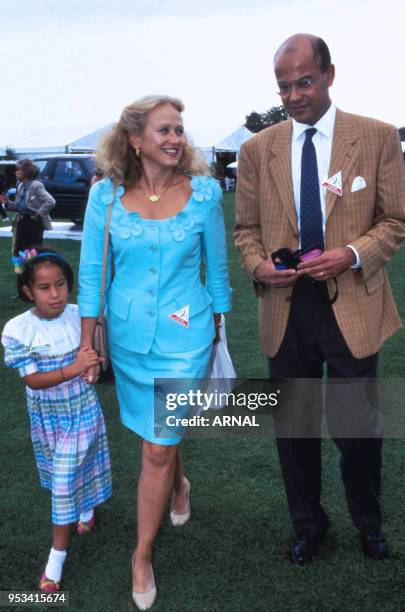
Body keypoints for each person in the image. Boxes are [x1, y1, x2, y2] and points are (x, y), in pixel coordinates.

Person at [234, 34, 405, 564]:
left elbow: (396, 220)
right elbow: (245, 230)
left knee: (357, 427)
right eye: (284, 86)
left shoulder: (376, 138)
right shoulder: (256, 149)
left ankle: (368, 522)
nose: (293, 95)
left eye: (304, 81)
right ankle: (308, 524)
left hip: (353, 301)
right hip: (284, 309)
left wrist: (351, 253)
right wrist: (258, 263)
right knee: (294, 427)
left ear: (330, 74)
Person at [78, 95, 232, 609]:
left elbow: (219, 266)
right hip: (126, 340)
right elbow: (93, 275)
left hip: (186, 335)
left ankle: (140, 555)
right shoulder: (103, 197)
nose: (174, 139)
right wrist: (86, 340)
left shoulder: (206, 193)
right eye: (164, 130)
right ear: (136, 139)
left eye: (180, 130)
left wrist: (220, 327)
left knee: (157, 444)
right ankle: (178, 484)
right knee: (157, 436)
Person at [1, 248, 112, 592]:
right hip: (47, 418)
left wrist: (95, 366)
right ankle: (87, 507)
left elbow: (99, 353)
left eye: (61, 285)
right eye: (45, 288)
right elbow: (32, 380)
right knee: (67, 471)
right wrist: (72, 369)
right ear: (28, 292)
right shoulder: (18, 330)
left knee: (63, 483)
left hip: (81, 411)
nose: (55, 294)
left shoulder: (81, 316)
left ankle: (56, 559)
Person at [0, 159, 55, 256]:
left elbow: (50, 201)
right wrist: (7, 201)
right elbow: (18, 207)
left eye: (18, 170)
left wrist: (38, 214)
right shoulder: (20, 185)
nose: (15, 172)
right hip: (21, 223)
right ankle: (21, 270)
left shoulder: (36, 185)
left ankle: (31, 270)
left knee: (31, 252)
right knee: (19, 251)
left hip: (33, 224)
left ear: (26, 171)